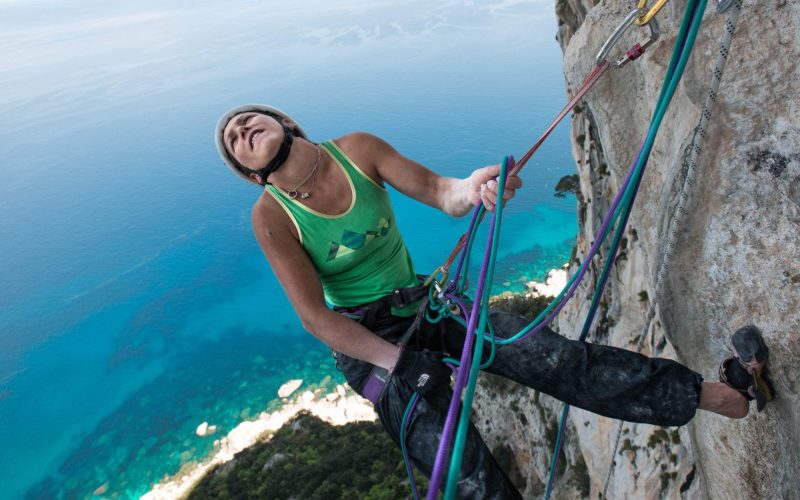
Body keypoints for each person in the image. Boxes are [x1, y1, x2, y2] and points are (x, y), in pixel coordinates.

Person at [214, 104, 775, 498]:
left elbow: (440, 192)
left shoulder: (358, 151)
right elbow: (316, 317)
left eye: (246, 120)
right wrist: (399, 362)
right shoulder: (273, 218)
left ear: (284, 123)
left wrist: (476, 186)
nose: (240, 129)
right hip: (368, 342)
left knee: (549, 357)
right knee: (460, 473)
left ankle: (713, 394)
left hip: (422, 306)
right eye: (234, 141)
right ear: (250, 173)